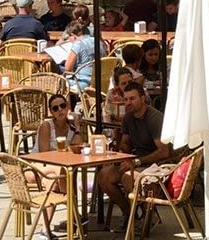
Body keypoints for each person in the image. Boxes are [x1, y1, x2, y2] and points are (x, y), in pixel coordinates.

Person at [97, 81, 170, 223]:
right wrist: (120, 152)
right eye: (126, 99)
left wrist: (137, 161)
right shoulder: (128, 117)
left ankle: (149, 214)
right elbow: (125, 143)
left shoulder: (154, 118)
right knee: (103, 175)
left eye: (132, 99)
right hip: (135, 160)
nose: (128, 103)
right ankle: (129, 213)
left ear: (142, 99)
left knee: (127, 177)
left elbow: (164, 152)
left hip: (157, 165)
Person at [64, 20, 100, 90]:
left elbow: (68, 68)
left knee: (59, 82)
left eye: (69, 38)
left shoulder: (78, 44)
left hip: (83, 82)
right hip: (99, 80)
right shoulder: (97, 41)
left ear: (73, 36)